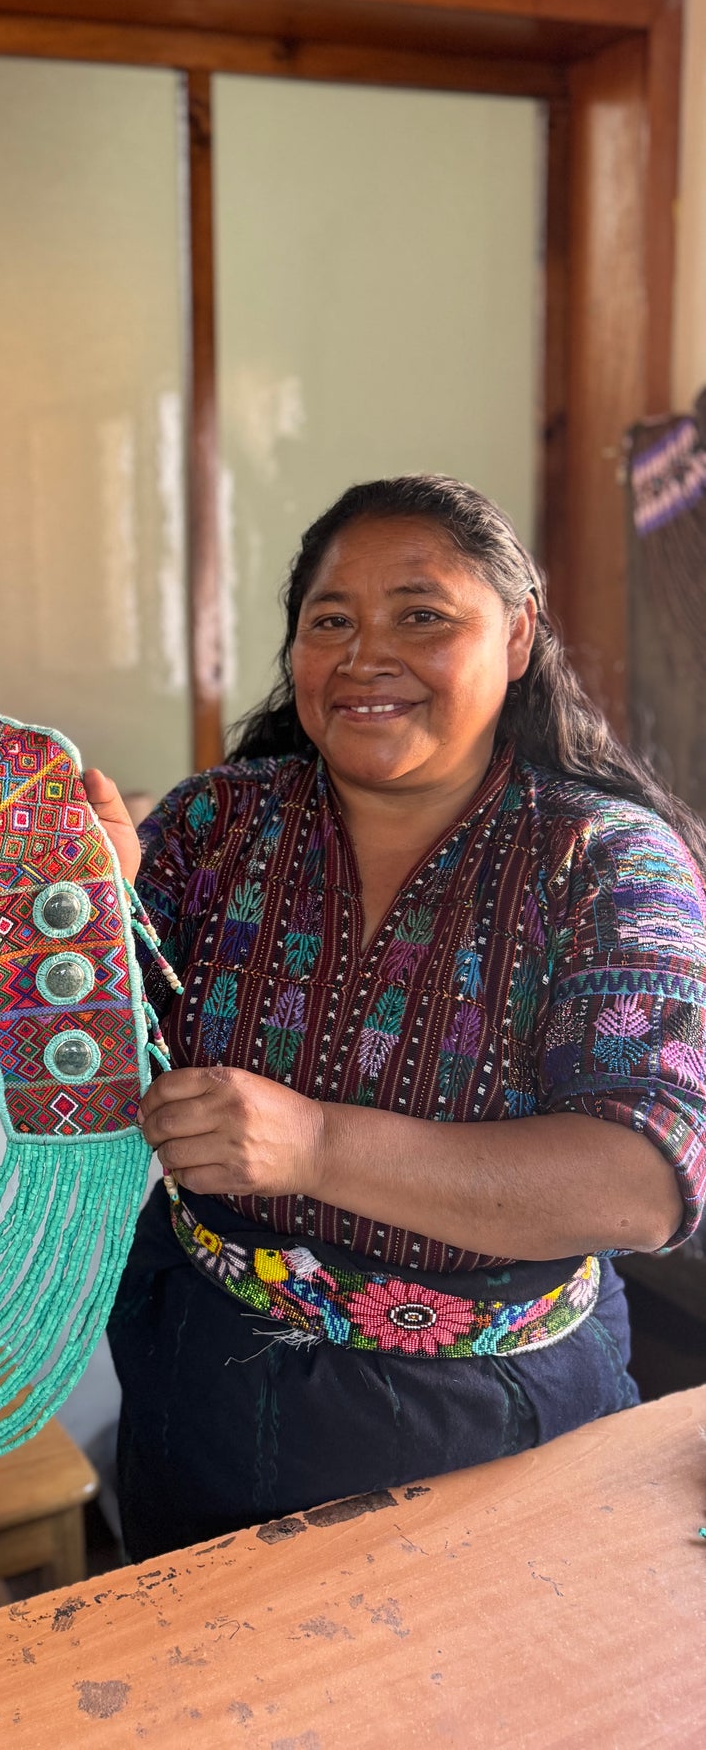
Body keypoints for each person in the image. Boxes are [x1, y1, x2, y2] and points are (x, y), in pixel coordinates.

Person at [106, 475, 706, 1561]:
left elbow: (641, 1183)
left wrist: (318, 1144)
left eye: (421, 615)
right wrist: (57, 899)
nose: (364, 652)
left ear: (517, 636)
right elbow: (80, 1048)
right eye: (329, 619)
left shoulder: (603, 860)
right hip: (201, 1372)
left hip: (497, 1424)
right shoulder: (210, 825)